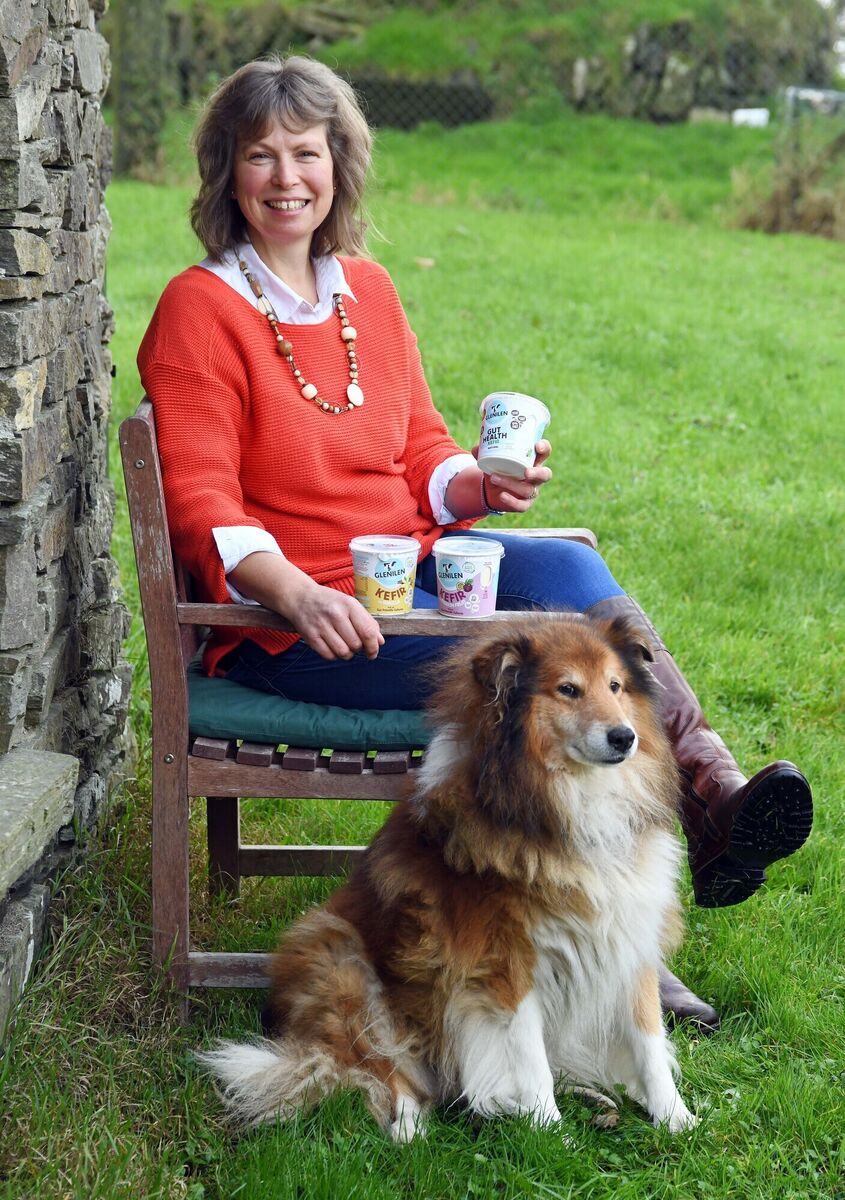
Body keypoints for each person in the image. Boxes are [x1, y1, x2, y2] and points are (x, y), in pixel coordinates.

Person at [137, 54, 813, 1031]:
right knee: (528, 685)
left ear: (338, 165)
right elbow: (202, 500)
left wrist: (482, 485)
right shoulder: (199, 309)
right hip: (301, 623)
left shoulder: (366, 293)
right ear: (226, 172)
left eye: (306, 153)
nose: (286, 178)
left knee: (572, 573)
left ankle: (709, 790)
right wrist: (295, 593)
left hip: (406, 572)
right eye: (260, 156)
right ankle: (637, 940)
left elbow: (420, 452)